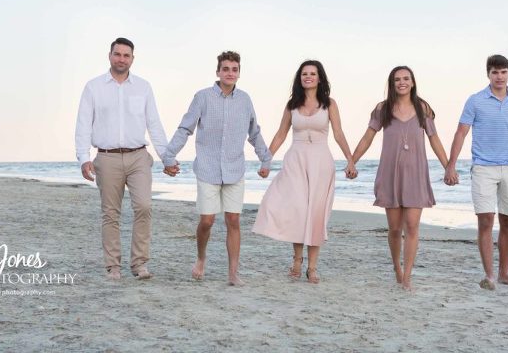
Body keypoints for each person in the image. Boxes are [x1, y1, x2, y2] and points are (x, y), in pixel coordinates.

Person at [162, 51, 271, 286]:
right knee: (208, 221)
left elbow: (254, 132)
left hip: (235, 169)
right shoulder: (202, 97)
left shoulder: (245, 100)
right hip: (208, 169)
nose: (230, 73)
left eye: (234, 69)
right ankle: (201, 257)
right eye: (226, 69)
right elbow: (185, 129)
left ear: (239, 73)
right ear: (218, 72)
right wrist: (169, 156)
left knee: (233, 220)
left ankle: (233, 273)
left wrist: (265, 159)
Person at [443, 54, 508, 290]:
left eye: (503, 72)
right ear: (488, 74)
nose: (499, 77)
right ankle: (489, 275)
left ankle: (504, 273)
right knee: (485, 220)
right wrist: (451, 165)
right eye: (495, 72)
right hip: (483, 167)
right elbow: (461, 133)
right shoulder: (475, 100)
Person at [252, 60, 356, 284]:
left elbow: (338, 133)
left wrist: (350, 160)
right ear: (300, 78)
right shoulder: (292, 105)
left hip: (321, 163)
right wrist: (266, 161)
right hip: (296, 161)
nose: (308, 77)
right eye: (304, 74)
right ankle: (297, 260)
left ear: (320, 78)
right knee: (298, 210)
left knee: (316, 214)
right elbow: (280, 135)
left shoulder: (330, 104)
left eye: (312, 73)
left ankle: (312, 267)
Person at [75, 37, 169, 281]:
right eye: (117, 54)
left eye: (126, 55)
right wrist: (83, 157)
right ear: (109, 56)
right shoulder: (93, 87)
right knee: (110, 213)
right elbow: (83, 124)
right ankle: (112, 266)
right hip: (107, 159)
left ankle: (139, 264)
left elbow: (154, 123)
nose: (121, 59)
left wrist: (167, 157)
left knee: (144, 207)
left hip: (138, 156)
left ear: (132, 59)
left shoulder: (143, 87)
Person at [350, 66, 450, 291]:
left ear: (413, 82)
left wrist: (448, 167)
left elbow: (434, 139)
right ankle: (397, 267)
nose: (402, 82)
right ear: (392, 83)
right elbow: (368, 137)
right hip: (391, 173)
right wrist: (352, 160)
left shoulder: (422, 108)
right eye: (397, 79)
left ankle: (407, 276)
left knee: (412, 226)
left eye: (406, 79)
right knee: (395, 228)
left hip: (415, 173)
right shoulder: (382, 109)